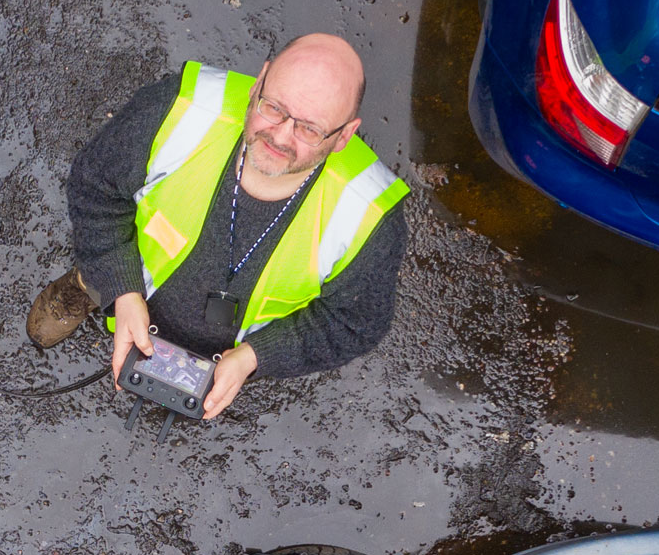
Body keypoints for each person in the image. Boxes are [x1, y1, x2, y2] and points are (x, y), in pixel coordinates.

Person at [30, 33, 408, 418]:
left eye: (309, 129)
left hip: (235, 351)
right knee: (99, 266)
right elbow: (95, 188)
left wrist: (257, 356)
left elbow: (355, 322)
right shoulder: (178, 108)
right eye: (273, 106)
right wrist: (121, 290)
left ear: (344, 135)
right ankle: (88, 287)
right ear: (259, 81)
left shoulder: (372, 218)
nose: (279, 136)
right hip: (131, 285)